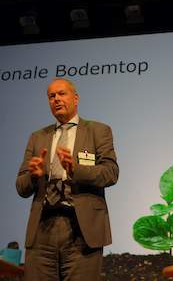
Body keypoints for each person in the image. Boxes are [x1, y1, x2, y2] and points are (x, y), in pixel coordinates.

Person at [16, 78, 119, 281]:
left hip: (82, 231)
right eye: (51, 96)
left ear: (76, 98)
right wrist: (33, 176)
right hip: (41, 230)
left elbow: (111, 173)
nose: (56, 99)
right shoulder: (37, 137)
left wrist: (76, 170)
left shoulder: (98, 131)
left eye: (61, 94)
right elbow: (21, 186)